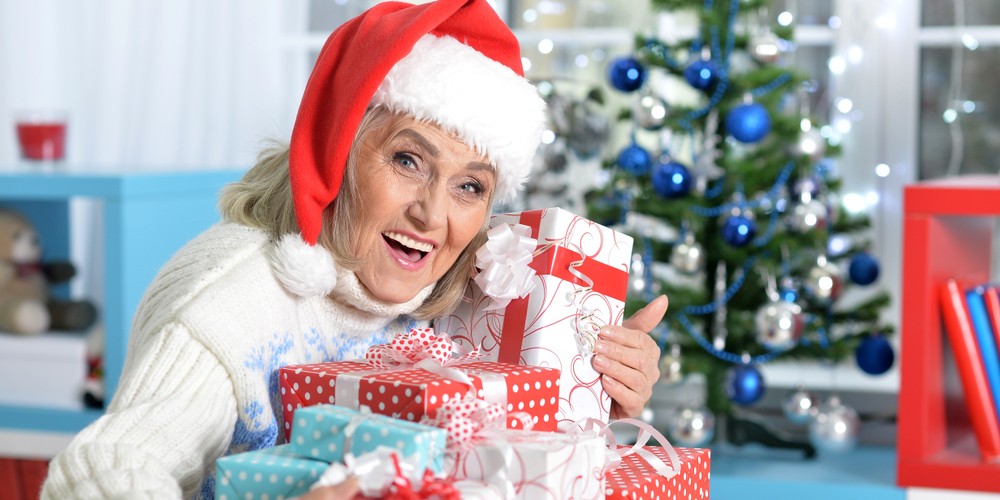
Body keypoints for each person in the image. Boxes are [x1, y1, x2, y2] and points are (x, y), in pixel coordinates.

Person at [41, 0, 668, 498]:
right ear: (336, 150)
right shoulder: (230, 300)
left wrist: (596, 390)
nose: (432, 214)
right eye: (407, 160)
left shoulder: (462, 298)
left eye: (470, 186)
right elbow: (102, 472)